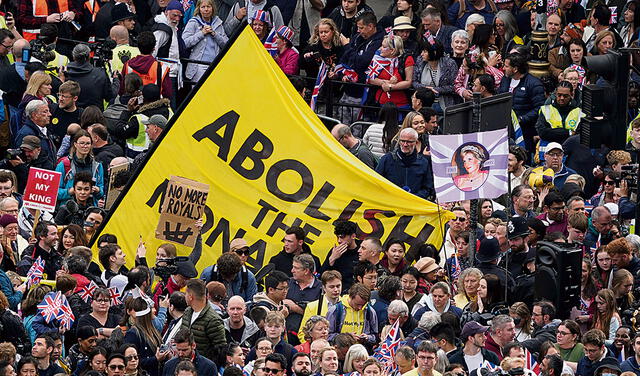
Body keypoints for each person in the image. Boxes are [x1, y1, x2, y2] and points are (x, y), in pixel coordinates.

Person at [499, 53, 545, 152]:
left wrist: (521, 119)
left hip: (525, 131)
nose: (503, 68)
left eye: (506, 66)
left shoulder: (534, 84)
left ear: (515, 69)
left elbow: (540, 108)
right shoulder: (505, 79)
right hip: (505, 129)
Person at [375, 127, 435, 200]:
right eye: (402, 141)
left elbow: (428, 188)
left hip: (414, 205)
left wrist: (413, 197)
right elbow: (376, 183)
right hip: (391, 204)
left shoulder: (423, 162)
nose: (405, 144)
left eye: (409, 142)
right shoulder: (387, 159)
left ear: (416, 142)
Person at [55, 129, 105, 207]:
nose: (85, 146)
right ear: (75, 144)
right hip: (68, 209)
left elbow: (101, 191)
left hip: (90, 209)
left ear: (91, 145)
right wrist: (69, 192)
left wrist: (98, 190)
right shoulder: (64, 165)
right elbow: (54, 192)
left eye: (88, 143)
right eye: (82, 143)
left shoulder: (97, 166)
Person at [180, 279, 227, 361]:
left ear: (191, 297)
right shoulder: (187, 312)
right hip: (184, 363)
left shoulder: (213, 320)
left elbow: (220, 350)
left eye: (186, 294)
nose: (185, 296)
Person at [183, 0, 228, 84]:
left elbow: (226, 44)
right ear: (199, 9)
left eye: (208, 7)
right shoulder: (193, 22)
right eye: (203, 7)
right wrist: (201, 33)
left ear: (212, 8)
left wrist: (215, 34)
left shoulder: (218, 23)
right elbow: (184, 43)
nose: (206, 9)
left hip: (215, 65)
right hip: (198, 66)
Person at [536, 82, 583, 159]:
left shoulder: (579, 112)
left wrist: (553, 132)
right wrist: (569, 132)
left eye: (565, 96)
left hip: (570, 156)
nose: (561, 98)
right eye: (559, 95)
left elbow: (579, 135)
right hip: (548, 156)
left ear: (572, 94)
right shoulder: (546, 110)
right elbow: (543, 133)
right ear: (555, 94)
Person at [366, 34, 413, 109]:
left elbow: (408, 82)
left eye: (384, 47)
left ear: (392, 50)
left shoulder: (407, 59)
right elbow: (370, 78)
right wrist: (386, 82)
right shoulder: (378, 58)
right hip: (380, 103)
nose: (380, 49)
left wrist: (391, 87)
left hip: (400, 104)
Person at [120, 31, 172, 99]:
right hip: (153, 106)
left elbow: (121, 89)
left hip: (131, 105)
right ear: (154, 48)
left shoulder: (128, 65)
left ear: (138, 47)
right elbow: (167, 93)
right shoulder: (161, 67)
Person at [413, 38, 458, 112]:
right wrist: (426, 89)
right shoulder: (420, 61)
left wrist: (435, 90)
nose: (421, 54)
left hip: (443, 103)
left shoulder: (449, 64)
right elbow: (414, 82)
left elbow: (454, 86)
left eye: (425, 51)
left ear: (434, 52)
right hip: (424, 103)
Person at [15, 100, 57, 169]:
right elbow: (21, 162)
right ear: (34, 115)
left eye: (48, 111)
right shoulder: (25, 134)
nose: (50, 114)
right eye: (45, 112)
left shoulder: (45, 130)